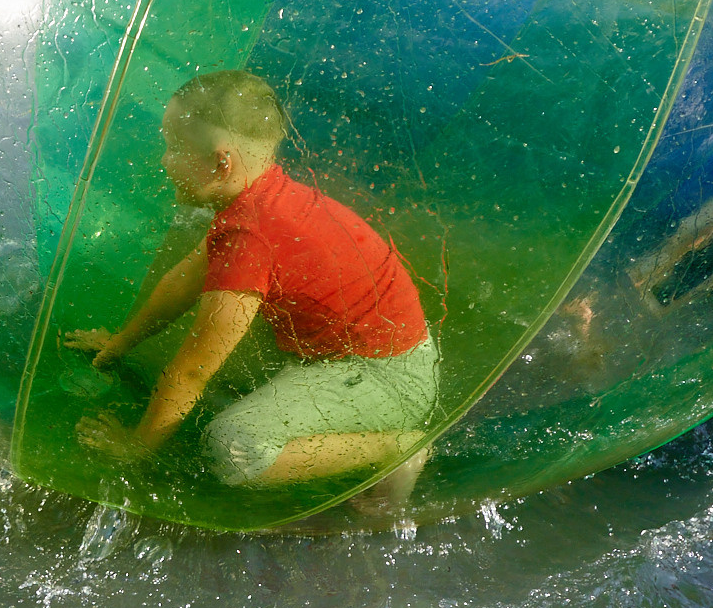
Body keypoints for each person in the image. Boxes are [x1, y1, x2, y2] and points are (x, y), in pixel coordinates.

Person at [64, 70, 438, 504]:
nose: (163, 160)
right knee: (201, 384)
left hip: (388, 381)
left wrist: (137, 447)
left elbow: (192, 370)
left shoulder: (250, 239)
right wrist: (121, 343)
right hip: (389, 353)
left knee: (233, 452)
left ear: (222, 162)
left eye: (174, 147)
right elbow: (182, 282)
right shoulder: (261, 199)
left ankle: (399, 447)